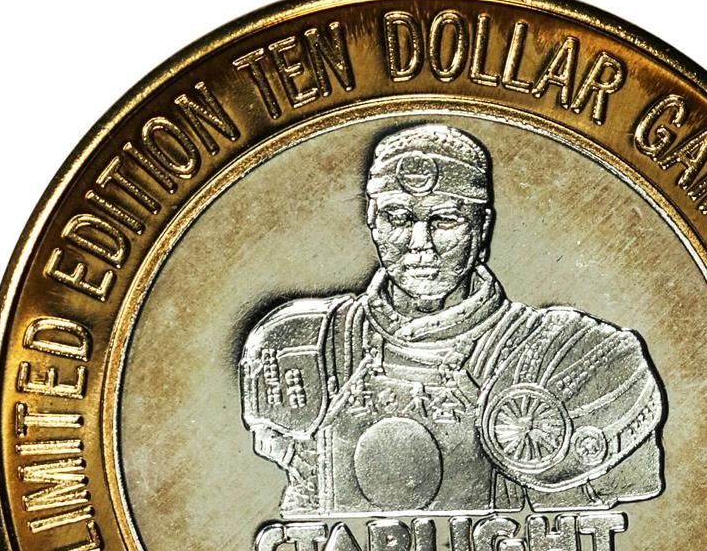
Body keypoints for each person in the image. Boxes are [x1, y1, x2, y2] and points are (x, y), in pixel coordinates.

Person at [240, 123, 664, 516]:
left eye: (444, 220)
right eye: (397, 218)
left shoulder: (574, 354)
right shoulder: (299, 344)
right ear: (372, 220)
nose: (419, 244)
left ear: (482, 228)